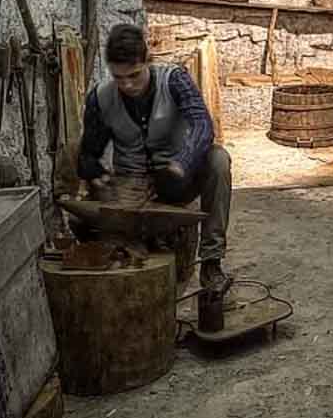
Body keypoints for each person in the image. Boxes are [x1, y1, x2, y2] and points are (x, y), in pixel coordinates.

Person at [77, 24, 232, 290]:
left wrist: (183, 162)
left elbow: (202, 124)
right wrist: (95, 174)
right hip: (131, 188)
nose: (127, 85)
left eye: (134, 75)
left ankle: (211, 262)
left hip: (175, 181)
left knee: (218, 159)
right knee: (81, 222)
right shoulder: (100, 97)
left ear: (148, 60)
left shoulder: (174, 79)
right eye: (119, 77)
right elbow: (89, 152)